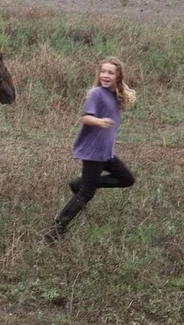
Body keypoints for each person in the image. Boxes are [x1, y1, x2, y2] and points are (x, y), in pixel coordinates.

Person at [45, 57, 137, 243]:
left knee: (127, 179)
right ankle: (56, 230)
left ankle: (80, 184)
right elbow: (86, 118)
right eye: (103, 71)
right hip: (94, 152)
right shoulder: (96, 93)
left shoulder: (114, 95)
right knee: (86, 194)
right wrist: (100, 121)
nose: (105, 75)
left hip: (106, 153)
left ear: (118, 76)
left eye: (110, 72)